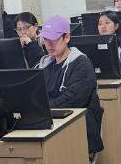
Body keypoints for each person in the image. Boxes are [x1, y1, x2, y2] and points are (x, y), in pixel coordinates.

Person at [34, 16, 103, 153]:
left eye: (53, 39)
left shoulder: (81, 64)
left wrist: (39, 108)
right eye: (46, 39)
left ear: (66, 37)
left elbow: (72, 100)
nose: (49, 44)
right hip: (47, 121)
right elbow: (31, 91)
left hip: (75, 125)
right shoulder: (44, 64)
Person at [97, 10, 121, 75]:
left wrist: (104, 65)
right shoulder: (96, 42)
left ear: (116, 26)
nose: (103, 27)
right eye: (100, 24)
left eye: (107, 23)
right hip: (103, 75)